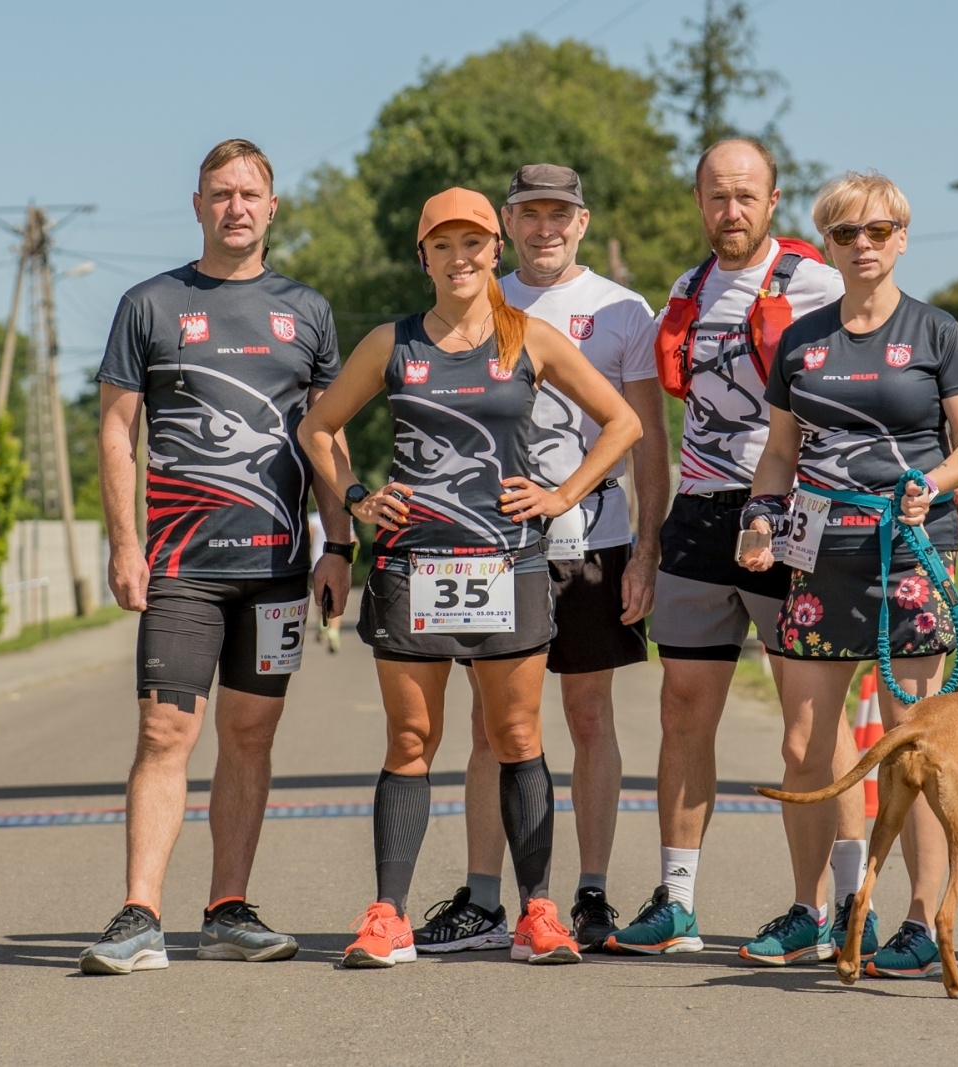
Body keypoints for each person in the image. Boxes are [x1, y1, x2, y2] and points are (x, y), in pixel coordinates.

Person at [297, 187, 641, 968]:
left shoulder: (532, 339)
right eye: (443, 245)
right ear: (424, 257)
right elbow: (318, 427)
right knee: (411, 738)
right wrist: (354, 498)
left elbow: (623, 421)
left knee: (517, 734)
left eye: (475, 243)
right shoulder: (393, 343)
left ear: (496, 250)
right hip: (412, 564)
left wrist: (560, 496)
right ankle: (388, 916)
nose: (461, 258)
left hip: (507, 563)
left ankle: (539, 915)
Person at [84, 138, 354, 975]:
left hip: (275, 569)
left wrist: (338, 542)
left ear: (272, 208)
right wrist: (124, 543)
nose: (236, 206)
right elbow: (118, 429)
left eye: (250, 193)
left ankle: (228, 908)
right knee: (166, 729)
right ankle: (139, 915)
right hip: (181, 568)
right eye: (220, 193)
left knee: (250, 734)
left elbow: (327, 433)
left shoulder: (306, 311)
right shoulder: (150, 304)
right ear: (197, 205)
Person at [605, 137, 875, 956]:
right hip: (698, 513)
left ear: (773, 199)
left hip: (794, 519)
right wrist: (647, 545)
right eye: (718, 197)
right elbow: (654, 431)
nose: (732, 211)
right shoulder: (682, 294)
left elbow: (876, 389)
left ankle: (841, 903)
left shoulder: (820, 282)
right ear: (699, 203)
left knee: (811, 727)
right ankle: (678, 899)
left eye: (747, 196)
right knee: (682, 709)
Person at [410, 165, 669, 953]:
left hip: (592, 538)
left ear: (582, 222)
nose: (545, 228)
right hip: (488, 549)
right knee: (493, 729)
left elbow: (644, 433)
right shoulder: (476, 295)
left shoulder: (622, 310)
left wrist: (646, 546)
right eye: (529, 215)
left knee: (589, 717)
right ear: (505, 228)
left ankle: (589, 893)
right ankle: (485, 898)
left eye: (560, 214)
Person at [739, 170, 958, 975]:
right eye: (846, 233)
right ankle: (822, 908)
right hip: (821, 554)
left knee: (914, 742)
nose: (863, 245)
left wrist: (936, 485)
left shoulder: (937, 331)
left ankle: (920, 918)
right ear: (830, 243)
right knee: (807, 741)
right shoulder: (802, 339)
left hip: (911, 551)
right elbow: (780, 452)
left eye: (879, 231)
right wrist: (758, 520)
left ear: (902, 238)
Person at [307, 511, 342, 652]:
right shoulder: (343, 518)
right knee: (336, 596)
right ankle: (334, 630)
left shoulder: (313, 519)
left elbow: (307, 540)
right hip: (337, 563)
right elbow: (353, 539)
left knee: (320, 596)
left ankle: (322, 622)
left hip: (317, 562)